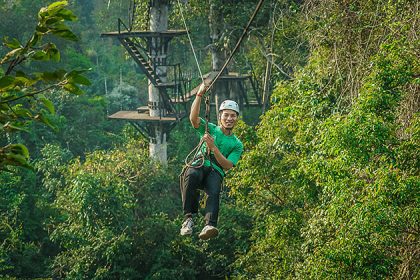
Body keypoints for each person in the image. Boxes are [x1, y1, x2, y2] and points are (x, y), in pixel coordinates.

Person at [180, 83, 244, 240]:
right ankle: (188, 218)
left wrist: (213, 147)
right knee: (191, 174)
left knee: (214, 190)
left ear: (236, 118)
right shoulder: (210, 129)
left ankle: (209, 224)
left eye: (233, 116)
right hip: (201, 163)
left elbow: (228, 165)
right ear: (220, 115)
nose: (229, 118)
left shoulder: (237, 144)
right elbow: (193, 119)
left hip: (216, 170)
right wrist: (199, 95)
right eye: (226, 115)